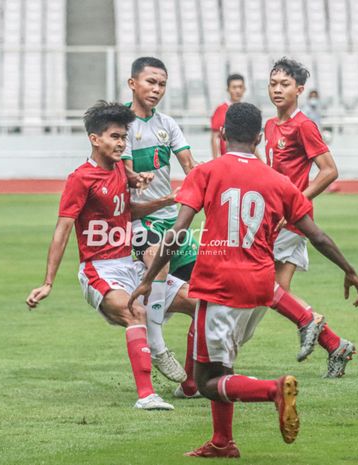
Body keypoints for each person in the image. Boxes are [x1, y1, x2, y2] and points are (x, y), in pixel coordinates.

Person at [128, 102, 358, 457]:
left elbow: (178, 231)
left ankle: (272, 390)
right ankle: (223, 441)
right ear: (258, 137)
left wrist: (148, 278)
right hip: (260, 289)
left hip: (218, 287)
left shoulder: (207, 173)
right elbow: (316, 235)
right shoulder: (279, 182)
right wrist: (349, 269)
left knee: (207, 382)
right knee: (224, 365)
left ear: (222, 134)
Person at [25, 101, 197, 410]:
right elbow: (63, 229)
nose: (121, 143)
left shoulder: (120, 167)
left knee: (200, 302)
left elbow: (127, 211)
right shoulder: (80, 179)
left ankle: (193, 383)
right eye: (115, 137)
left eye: (123, 137)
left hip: (128, 264)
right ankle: (147, 395)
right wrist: (48, 282)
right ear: (95, 139)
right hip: (99, 270)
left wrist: (166, 200)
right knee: (137, 313)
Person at [264, 57, 354, 377]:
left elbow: (329, 171)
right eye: (273, 83)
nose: (277, 89)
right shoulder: (271, 125)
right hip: (273, 218)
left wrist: (295, 200)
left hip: (291, 221)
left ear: (299, 90)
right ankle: (335, 345)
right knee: (276, 292)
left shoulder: (304, 125)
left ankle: (316, 328)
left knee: (267, 291)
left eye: (284, 84)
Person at [122, 56, 202, 396]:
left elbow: (190, 164)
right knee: (158, 253)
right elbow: (124, 168)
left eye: (162, 84)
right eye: (150, 82)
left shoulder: (167, 124)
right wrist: (135, 176)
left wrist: (206, 181)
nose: (156, 89)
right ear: (133, 84)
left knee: (206, 292)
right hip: (139, 219)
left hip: (173, 218)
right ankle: (156, 344)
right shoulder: (120, 125)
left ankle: (195, 380)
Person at [210, 74, 245, 159]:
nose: (237, 90)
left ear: (244, 89)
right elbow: (215, 137)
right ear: (228, 89)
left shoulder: (247, 110)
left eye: (240, 87)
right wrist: (217, 160)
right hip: (226, 160)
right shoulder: (221, 110)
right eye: (234, 87)